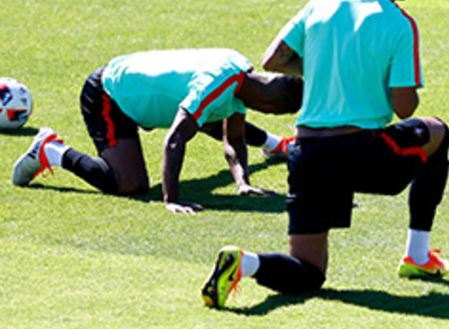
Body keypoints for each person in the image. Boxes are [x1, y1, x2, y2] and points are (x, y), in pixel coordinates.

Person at [201, 0, 449, 309]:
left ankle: (246, 263)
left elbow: (273, 59)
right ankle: (417, 257)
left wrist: (325, 68)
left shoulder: (322, 2)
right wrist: (375, 75)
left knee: (308, 272)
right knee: (438, 133)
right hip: (362, 154)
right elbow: (405, 108)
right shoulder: (400, 24)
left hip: (308, 155)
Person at [11, 49, 301, 214]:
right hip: (110, 94)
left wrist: (243, 183)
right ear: (267, 104)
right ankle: (51, 150)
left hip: (146, 96)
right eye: (271, 112)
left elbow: (233, 136)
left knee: (212, 116)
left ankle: (275, 146)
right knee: (130, 185)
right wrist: (171, 198)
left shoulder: (242, 76)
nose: (267, 113)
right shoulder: (216, 84)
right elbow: (175, 139)